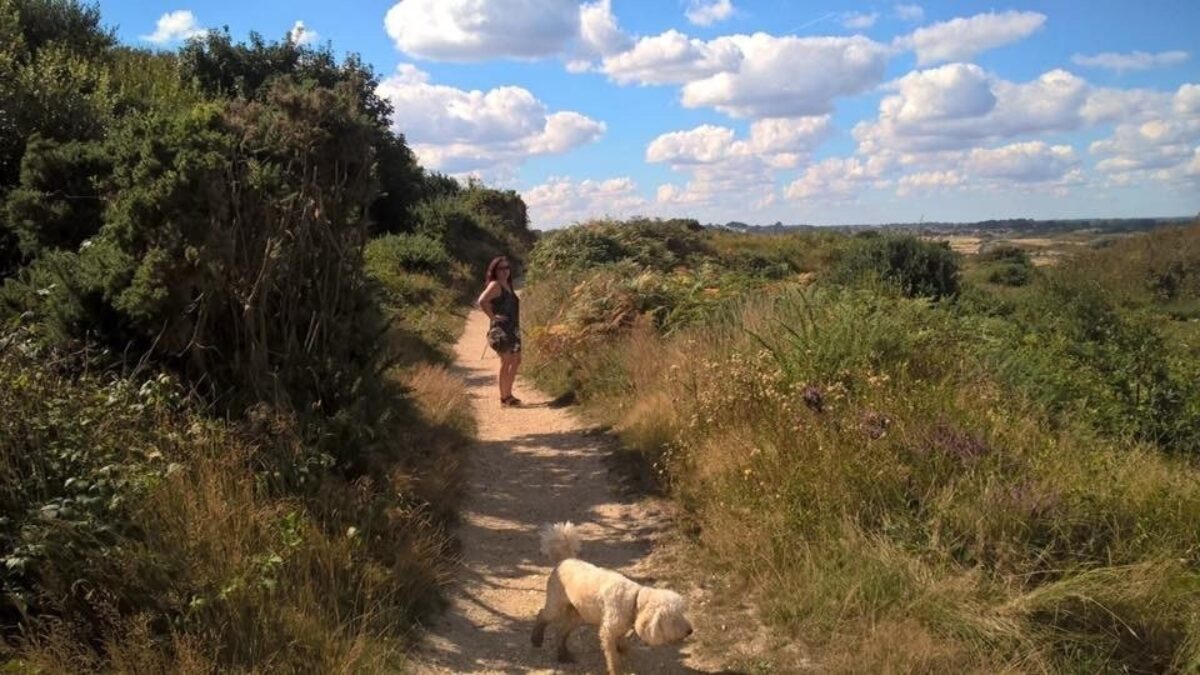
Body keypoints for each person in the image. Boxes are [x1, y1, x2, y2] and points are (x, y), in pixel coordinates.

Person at [477, 256, 522, 407]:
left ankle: (509, 394)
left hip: (513, 329)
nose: (505, 271)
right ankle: (505, 397)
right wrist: (493, 317)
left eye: (507, 268)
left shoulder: (507, 284)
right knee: (507, 360)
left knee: (515, 360)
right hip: (502, 330)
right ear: (495, 271)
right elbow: (482, 301)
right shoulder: (495, 285)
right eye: (501, 268)